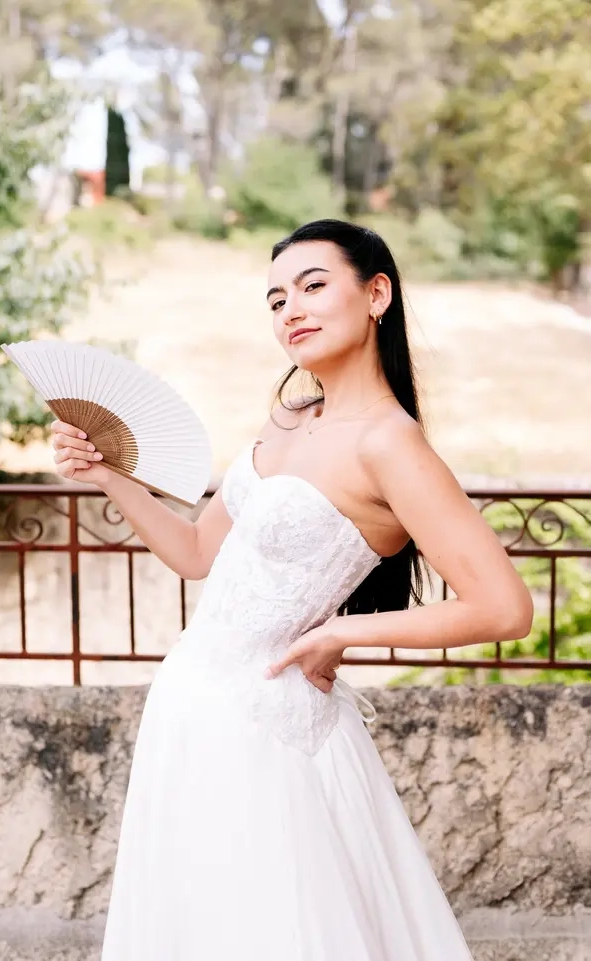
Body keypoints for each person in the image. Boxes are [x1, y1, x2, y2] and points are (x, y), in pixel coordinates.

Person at [52, 219, 533, 960]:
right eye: (276, 300)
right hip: (188, 705)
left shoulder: (389, 443)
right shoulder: (287, 417)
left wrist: (342, 633)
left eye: (312, 286)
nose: (291, 311)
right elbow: (194, 553)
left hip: (271, 730)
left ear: (377, 294)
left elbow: (504, 607)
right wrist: (107, 475)